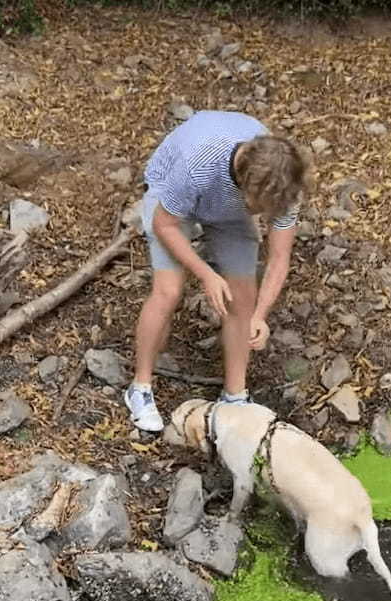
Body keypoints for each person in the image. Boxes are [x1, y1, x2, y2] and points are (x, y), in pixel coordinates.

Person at [124, 109, 309, 433]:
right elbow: (164, 223)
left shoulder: (285, 187)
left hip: (228, 209)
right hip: (170, 201)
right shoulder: (200, 164)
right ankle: (140, 388)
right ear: (248, 186)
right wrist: (206, 274)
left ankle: (234, 396)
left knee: (243, 297)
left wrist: (259, 315)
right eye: (261, 208)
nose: (267, 215)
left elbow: (279, 259)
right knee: (169, 291)